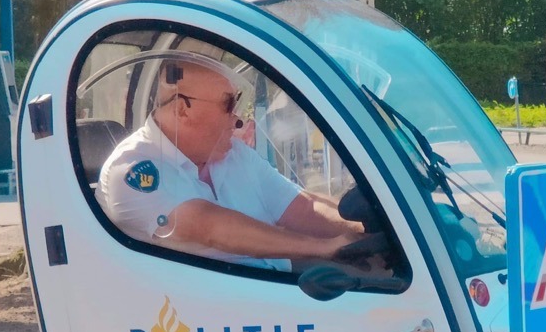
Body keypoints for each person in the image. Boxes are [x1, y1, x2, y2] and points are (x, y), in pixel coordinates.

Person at [97, 54, 367, 270]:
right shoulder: (132, 168)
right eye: (228, 105)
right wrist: (323, 248)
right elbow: (208, 227)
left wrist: (368, 230)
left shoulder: (233, 154)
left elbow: (303, 208)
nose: (237, 119)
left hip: (276, 305)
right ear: (182, 110)